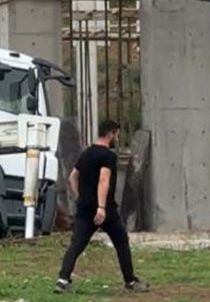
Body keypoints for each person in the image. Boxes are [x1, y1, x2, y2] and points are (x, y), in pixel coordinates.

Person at [55, 120, 148, 293]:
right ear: (111, 133)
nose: (117, 138)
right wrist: (101, 207)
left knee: (77, 244)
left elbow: (72, 177)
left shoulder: (86, 153)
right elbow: (103, 180)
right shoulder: (108, 156)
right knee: (121, 241)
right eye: (116, 134)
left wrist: (79, 197)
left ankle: (62, 279)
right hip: (105, 209)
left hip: (85, 207)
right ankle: (130, 281)